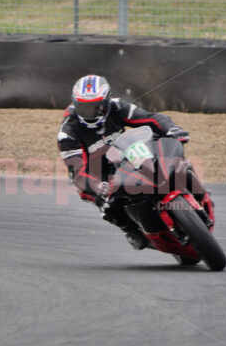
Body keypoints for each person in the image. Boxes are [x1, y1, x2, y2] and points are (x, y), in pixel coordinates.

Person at [57, 74, 192, 250]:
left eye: (95, 107)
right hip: (95, 172)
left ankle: (184, 182)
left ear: (106, 102)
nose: (89, 113)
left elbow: (152, 118)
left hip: (124, 153)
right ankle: (129, 229)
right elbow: (77, 172)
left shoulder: (117, 106)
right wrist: (97, 186)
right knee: (106, 202)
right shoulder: (67, 133)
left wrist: (172, 129)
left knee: (162, 150)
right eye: (84, 108)